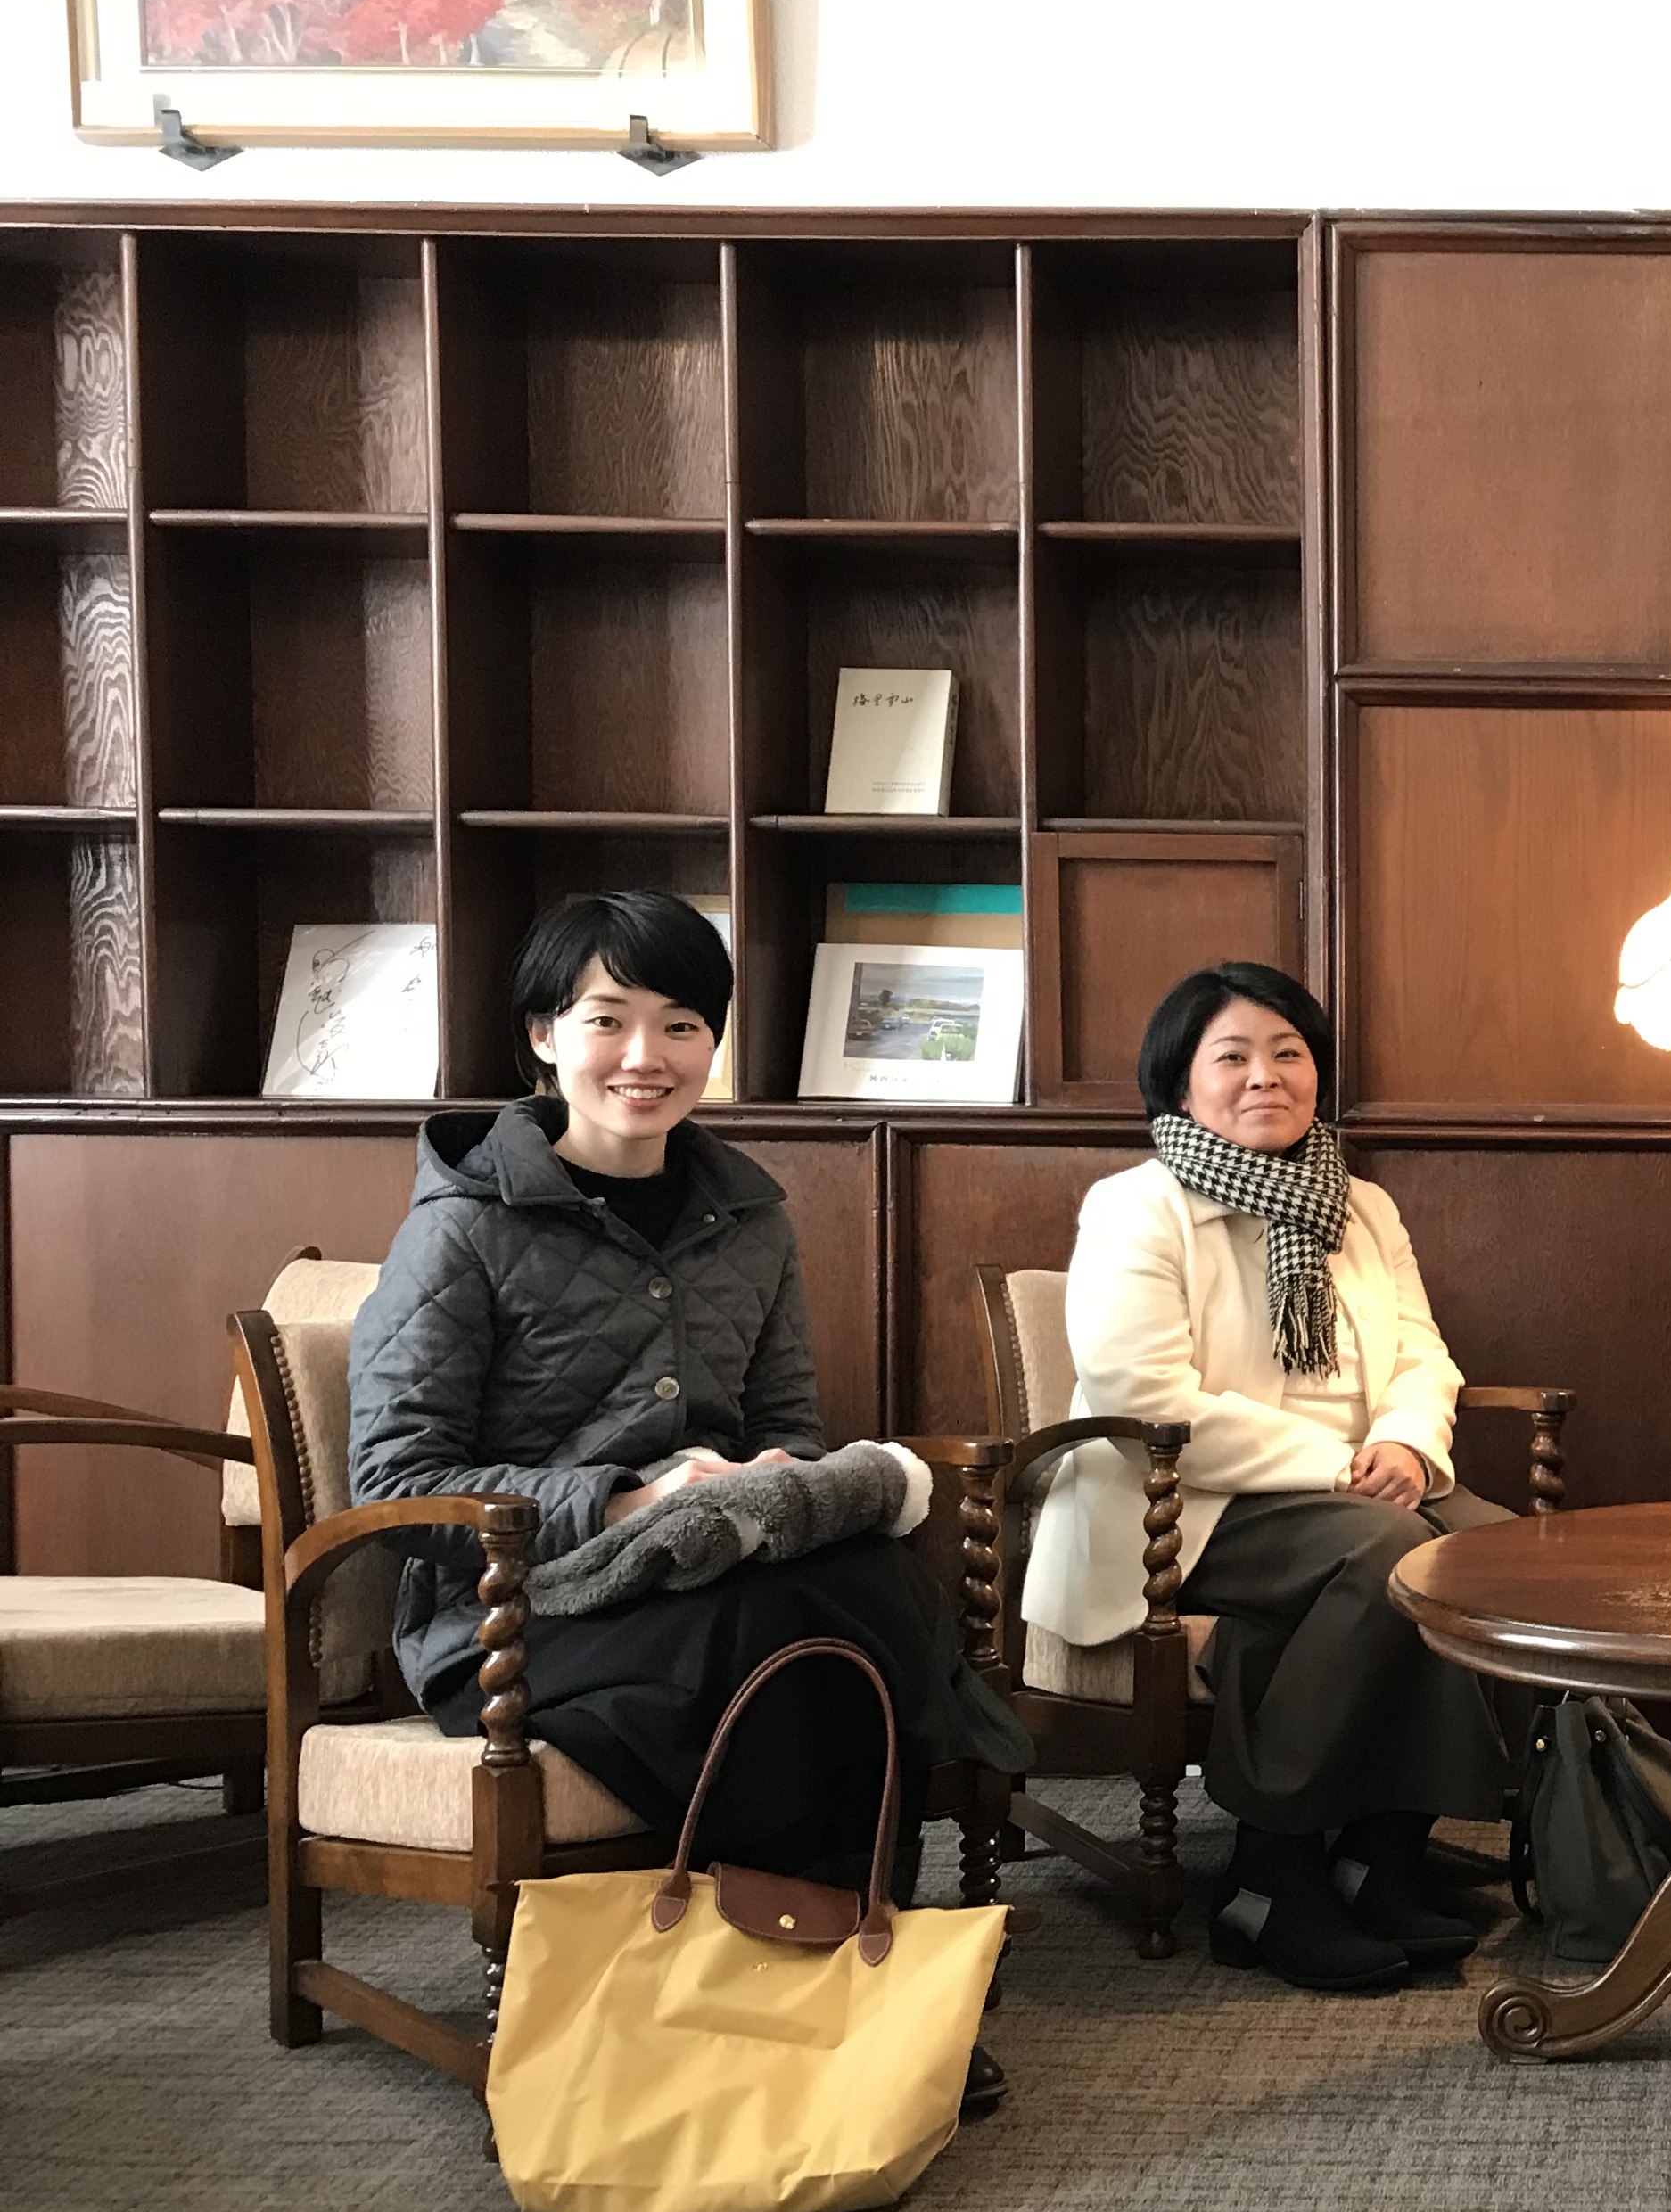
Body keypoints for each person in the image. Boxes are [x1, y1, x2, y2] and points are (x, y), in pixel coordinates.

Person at [348, 890, 1029, 2115]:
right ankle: (815, 1981)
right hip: (510, 1614)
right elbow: (395, 1481)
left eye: (680, 1024)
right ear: (542, 1036)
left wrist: (777, 1482)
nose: (645, 1056)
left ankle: (854, 1958)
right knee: (780, 1634)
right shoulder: (462, 1230)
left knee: (872, 1582)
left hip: (714, 1565)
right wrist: (622, 1503)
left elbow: (785, 1430)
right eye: (607, 1019)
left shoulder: (751, 1221)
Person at [1021, 960, 1513, 1994]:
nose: (1265, 1076)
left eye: (1288, 1053)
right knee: (1393, 1556)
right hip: (1179, 1504)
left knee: (1501, 1558)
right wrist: (1339, 1467)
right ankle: (1274, 1870)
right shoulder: (1136, 1207)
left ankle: (1380, 1853)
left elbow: (1422, 1352)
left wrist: (1406, 1443)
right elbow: (1142, 1394)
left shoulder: (1361, 1206)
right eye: (1233, 1056)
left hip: (1361, 1488)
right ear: (1180, 1079)